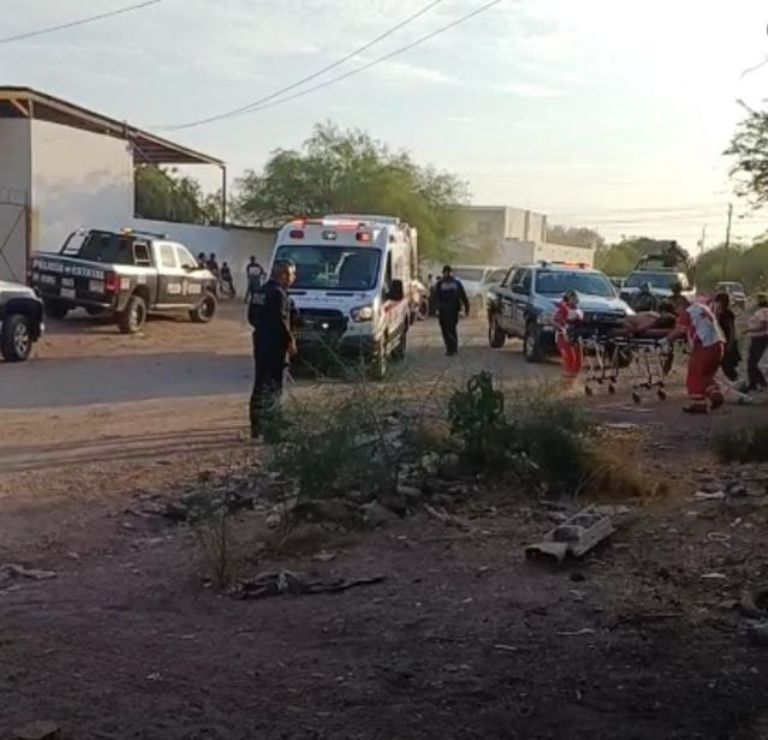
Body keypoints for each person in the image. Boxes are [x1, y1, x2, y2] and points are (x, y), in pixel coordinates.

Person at [248, 260, 297, 440]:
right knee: (274, 386)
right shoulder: (278, 293)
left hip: (261, 341)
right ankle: (272, 431)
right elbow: (281, 321)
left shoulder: (260, 291)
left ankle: (256, 426)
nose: (294, 277)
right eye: (292, 274)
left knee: (260, 383)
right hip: (275, 344)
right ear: (283, 275)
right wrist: (290, 341)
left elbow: (251, 316)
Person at [664, 293, 725, 413]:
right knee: (706, 375)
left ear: (680, 305)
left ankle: (699, 404)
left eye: (676, 308)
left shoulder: (687, 312)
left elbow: (679, 331)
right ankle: (715, 395)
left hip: (704, 346)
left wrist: (666, 340)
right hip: (718, 344)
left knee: (695, 375)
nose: (676, 312)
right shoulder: (702, 307)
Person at [434, 265, 470, 356]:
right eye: (446, 273)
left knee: (450, 329)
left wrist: (467, 307)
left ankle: (452, 348)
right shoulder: (441, 283)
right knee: (447, 329)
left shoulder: (454, 283)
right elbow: (436, 297)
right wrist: (436, 309)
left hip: (451, 309)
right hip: (445, 310)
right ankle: (451, 347)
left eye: (448, 272)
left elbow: (463, 295)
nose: (447, 274)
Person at [554, 290, 584, 378]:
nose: (574, 299)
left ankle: (575, 374)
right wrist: (563, 329)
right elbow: (556, 322)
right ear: (568, 299)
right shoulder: (563, 309)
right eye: (572, 298)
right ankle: (568, 373)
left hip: (576, 335)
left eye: (575, 298)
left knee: (578, 356)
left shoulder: (578, 310)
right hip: (564, 335)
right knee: (569, 355)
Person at [713, 292, 740, 382]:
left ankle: (736, 381)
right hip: (720, 341)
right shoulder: (716, 313)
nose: (716, 303)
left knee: (727, 365)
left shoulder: (728, 314)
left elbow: (732, 331)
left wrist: (730, 344)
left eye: (718, 301)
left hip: (727, 341)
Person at [745, 292, 768, 392]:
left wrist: (748, 330)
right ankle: (760, 383)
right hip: (760, 338)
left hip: (759, 338)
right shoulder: (763, 311)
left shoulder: (762, 312)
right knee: (752, 362)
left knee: (752, 363)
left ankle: (754, 384)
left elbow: (763, 325)